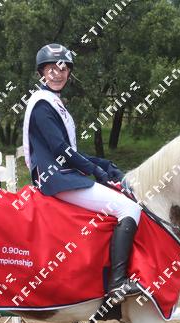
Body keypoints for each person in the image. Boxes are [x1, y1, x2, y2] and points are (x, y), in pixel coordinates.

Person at [23, 43, 143, 301]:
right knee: (129, 208)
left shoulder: (54, 102)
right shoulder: (43, 105)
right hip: (56, 179)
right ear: (41, 72)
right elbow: (60, 149)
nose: (57, 74)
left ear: (69, 73)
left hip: (62, 174)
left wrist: (104, 164)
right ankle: (117, 283)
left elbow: (70, 151)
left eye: (63, 69)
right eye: (51, 69)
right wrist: (95, 170)